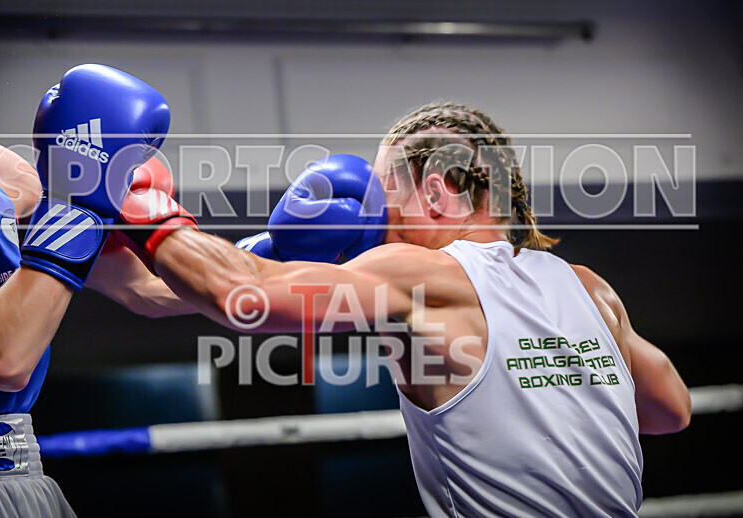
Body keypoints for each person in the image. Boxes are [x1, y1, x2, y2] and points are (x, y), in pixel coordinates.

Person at [116, 102, 692, 517]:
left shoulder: (418, 274)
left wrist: (138, 198)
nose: (373, 218)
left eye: (383, 195)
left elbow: (237, 296)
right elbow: (670, 410)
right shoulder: (589, 288)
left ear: (437, 193)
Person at [0, 2, 178, 513]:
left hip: (22, 479)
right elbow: (0, 354)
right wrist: (84, 204)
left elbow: (144, 288)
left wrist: (277, 257)